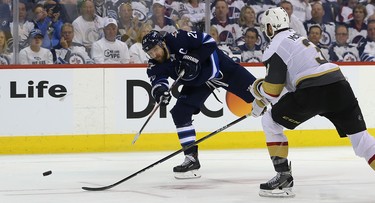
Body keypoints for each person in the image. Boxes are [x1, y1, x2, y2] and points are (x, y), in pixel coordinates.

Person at [251, 7, 375, 198]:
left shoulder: (275, 45)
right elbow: (288, 82)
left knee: (270, 121)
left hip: (313, 91)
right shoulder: (298, 38)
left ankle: (283, 177)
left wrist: (257, 90)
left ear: (269, 27)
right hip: (338, 84)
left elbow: (273, 90)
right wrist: (263, 99)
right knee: (362, 141)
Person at [141, 29, 256, 179]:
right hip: (199, 83)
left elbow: (209, 42)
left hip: (223, 69)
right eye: (150, 53)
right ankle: (191, 158)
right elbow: (158, 81)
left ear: (162, 43)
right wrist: (160, 92)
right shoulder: (155, 64)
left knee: (261, 95)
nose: (154, 55)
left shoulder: (177, 38)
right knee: (180, 112)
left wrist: (194, 57)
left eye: (155, 49)